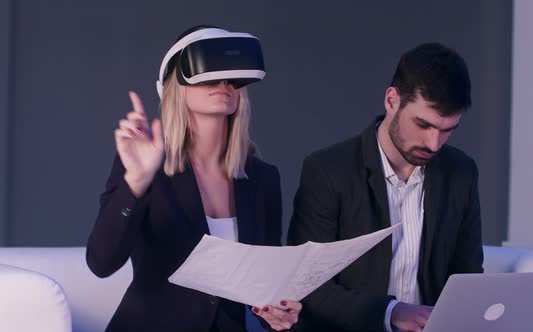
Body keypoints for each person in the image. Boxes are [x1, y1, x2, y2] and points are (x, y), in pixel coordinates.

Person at [87, 25, 301, 332]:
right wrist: (136, 182)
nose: (223, 82)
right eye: (210, 72)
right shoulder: (145, 165)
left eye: (231, 75)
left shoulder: (263, 179)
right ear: (176, 85)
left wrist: (277, 314)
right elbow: (101, 262)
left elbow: (263, 282)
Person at [288, 42, 483, 332]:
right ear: (392, 101)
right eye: (423, 124)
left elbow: (467, 276)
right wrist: (391, 312)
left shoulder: (461, 172)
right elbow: (307, 286)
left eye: (447, 130)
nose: (434, 143)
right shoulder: (328, 171)